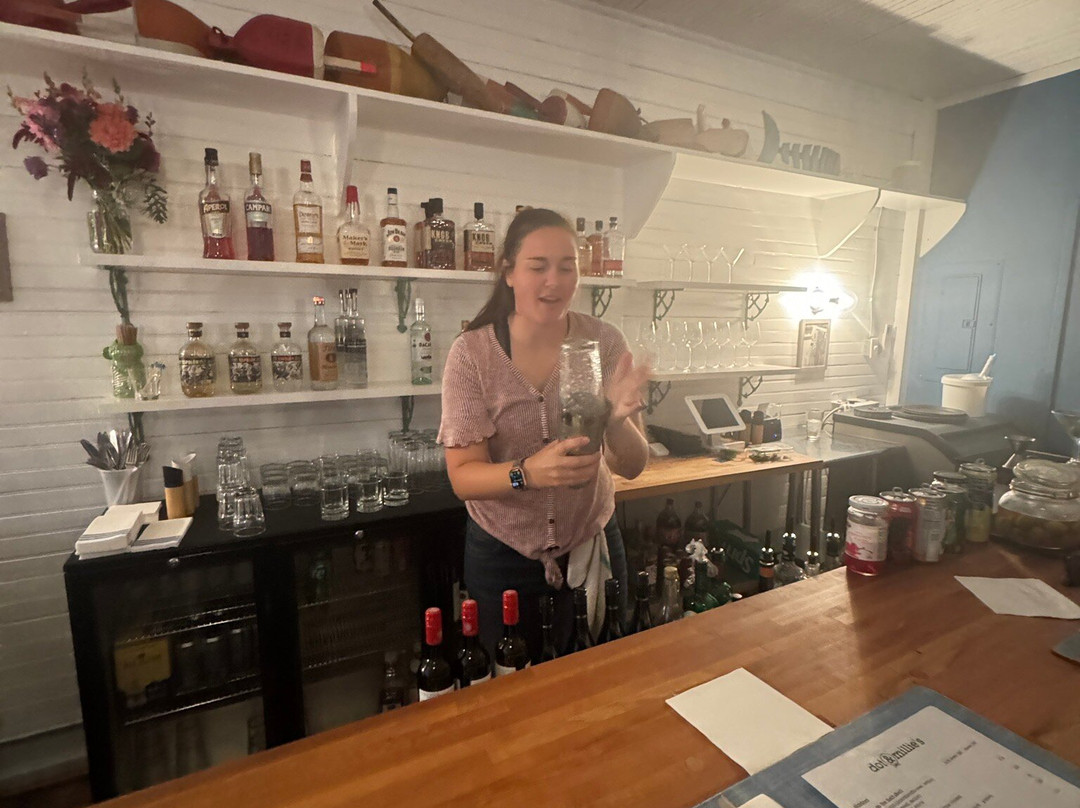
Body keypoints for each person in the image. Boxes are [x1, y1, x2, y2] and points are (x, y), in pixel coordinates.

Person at [438, 208, 650, 659]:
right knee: (512, 685)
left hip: (591, 542)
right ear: (509, 272)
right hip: (502, 556)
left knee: (602, 673)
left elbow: (633, 466)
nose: (554, 281)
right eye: (538, 267)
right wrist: (527, 474)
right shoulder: (473, 354)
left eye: (567, 267)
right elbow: (463, 477)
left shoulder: (606, 343)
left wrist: (615, 421)